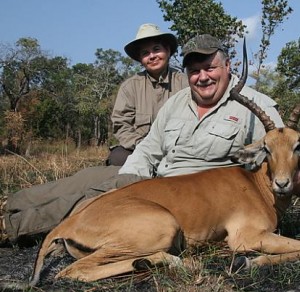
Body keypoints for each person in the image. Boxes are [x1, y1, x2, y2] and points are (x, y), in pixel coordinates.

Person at [2, 34, 297, 247]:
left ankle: (9, 227)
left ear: (228, 66)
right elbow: (150, 145)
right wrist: (132, 174)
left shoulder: (257, 106)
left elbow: (285, 151)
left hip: (189, 191)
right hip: (152, 173)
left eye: (210, 68)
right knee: (86, 177)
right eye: (194, 71)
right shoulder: (179, 100)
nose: (202, 77)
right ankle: (12, 203)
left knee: (96, 194)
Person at [107, 23, 188, 165]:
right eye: (145, 53)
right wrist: (143, 146)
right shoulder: (130, 87)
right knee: (117, 157)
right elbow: (121, 125)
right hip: (140, 148)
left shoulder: (185, 83)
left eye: (156, 49)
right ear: (140, 59)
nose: (152, 56)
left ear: (168, 51)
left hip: (178, 149)